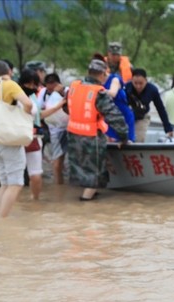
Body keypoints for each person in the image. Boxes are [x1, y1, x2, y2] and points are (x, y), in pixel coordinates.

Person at [66, 59, 128, 200]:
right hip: (91, 137)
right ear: (101, 75)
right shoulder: (98, 92)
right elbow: (115, 117)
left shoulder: (74, 87)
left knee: (80, 167)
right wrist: (123, 136)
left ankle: (85, 195)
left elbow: (67, 107)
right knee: (95, 172)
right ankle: (85, 203)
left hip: (73, 135)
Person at [0, 60, 33, 217]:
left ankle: (1, 216)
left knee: (5, 182)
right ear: (8, 72)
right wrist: (25, 116)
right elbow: (28, 104)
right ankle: (3, 219)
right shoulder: (9, 85)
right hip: (9, 139)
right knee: (16, 183)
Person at [93, 52, 135, 142]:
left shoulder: (115, 79)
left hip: (123, 117)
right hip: (107, 117)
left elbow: (113, 93)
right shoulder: (95, 82)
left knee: (126, 143)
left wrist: (97, 91)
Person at [125, 68, 173, 143]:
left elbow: (160, 109)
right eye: (135, 83)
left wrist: (168, 128)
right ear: (132, 81)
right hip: (126, 116)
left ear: (146, 80)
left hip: (141, 117)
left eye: (141, 83)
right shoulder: (126, 88)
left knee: (138, 139)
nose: (138, 86)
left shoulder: (152, 90)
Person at [18, 68, 45, 200]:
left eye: (35, 84)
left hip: (15, 138)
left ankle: (13, 203)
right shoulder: (33, 98)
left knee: (14, 174)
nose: (32, 87)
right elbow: (37, 116)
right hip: (32, 137)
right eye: (30, 84)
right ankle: (35, 200)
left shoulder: (13, 95)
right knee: (35, 172)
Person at [38, 73, 69, 184]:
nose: (51, 91)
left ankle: (60, 188)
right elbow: (39, 109)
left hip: (68, 128)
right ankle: (58, 186)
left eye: (53, 88)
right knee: (57, 161)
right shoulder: (43, 92)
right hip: (52, 129)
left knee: (60, 161)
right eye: (49, 89)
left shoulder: (67, 91)